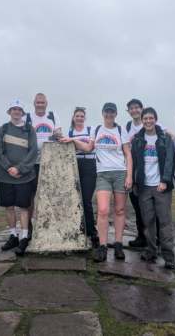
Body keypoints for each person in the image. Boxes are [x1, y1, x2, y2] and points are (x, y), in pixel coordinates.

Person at [67, 103, 132, 262]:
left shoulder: (120, 130)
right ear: (103, 113)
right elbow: (89, 148)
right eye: (106, 112)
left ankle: (118, 244)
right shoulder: (97, 129)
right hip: (102, 174)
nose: (109, 114)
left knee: (120, 210)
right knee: (103, 210)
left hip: (120, 173)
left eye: (112, 112)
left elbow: (128, 155)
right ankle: (103, 246)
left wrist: (129, 176)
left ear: (115, 114)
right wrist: (73, 141)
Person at [131, 107, 175, 269]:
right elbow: (135, 163)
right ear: (142, 121)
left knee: (164, 222)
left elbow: (170, 161)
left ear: (155, 120)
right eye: (145, 119)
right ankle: (151, 250)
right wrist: (136, 182)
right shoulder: (137, 139)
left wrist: (165, 180)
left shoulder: (165, 139)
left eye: (151, 118)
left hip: (160, 187)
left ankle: (169, 256)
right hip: (144, 187)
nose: (148, 121)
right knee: (148, 222)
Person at [0, 99, 38, 256]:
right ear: (9, 112)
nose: (16, 112)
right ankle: (13, 235)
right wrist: (8, 168)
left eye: (19, 109)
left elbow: (33, 152)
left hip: (24, 176)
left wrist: (19, 168)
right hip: (6, 176)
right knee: (9, 206)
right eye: (13, 109)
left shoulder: (29, 129)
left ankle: (24, 237)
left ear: (22, 112)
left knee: (24, 207)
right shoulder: (3, 128)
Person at [25, 93, 62, 238]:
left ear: (46, 103)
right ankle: (28, 227)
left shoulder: (53, 116)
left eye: (42, 102)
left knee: (49, 195)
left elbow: (58, 133)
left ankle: (49, 224)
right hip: (31, 162)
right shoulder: (27, 118)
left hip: (49, 162)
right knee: (30, 196)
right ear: (34, 103)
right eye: (38, 102)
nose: (40, 105)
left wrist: (56, 136)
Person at [61, 107, 99, 247]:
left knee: (86, 199)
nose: (79, 118)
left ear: (85, 118)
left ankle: (92, 231)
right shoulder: (69, 132)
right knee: (76, 199)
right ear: (73, 117)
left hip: (89, 164)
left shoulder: (91, 130)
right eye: (77, 116)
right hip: (75, 165)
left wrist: (74, 142)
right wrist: (79, 144)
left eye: (82, 116)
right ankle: (79, 227)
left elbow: (90, 148)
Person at [124, 98, 146, 248]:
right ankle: (141, 237)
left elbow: (167, 134)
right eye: (131, 108)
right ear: (128, 111)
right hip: (133, 169)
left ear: (142, 108)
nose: (134, 110)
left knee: (150, 208)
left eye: (137, 108)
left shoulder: (150, 123)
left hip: (149, 171)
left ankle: (154, 239)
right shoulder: (127, 127)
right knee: (137, 206)